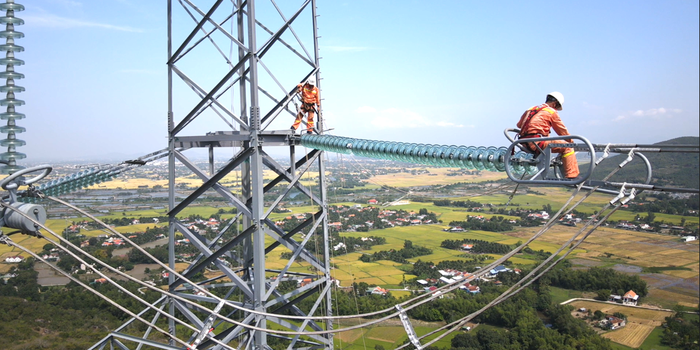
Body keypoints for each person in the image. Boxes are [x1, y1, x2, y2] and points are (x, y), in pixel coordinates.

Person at [516, 92, 579, 179]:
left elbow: (519, 125)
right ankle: (572, 176)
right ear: (555, 104)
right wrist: (571, 142)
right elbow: (562, 131)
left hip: (523, 142)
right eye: (556, 107)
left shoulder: (531, 109)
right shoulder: (551, 111)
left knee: (560, 144)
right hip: (537, 143)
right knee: (568, 147)